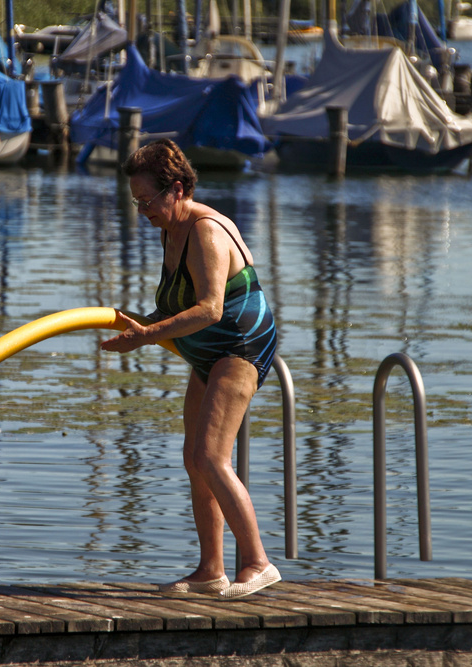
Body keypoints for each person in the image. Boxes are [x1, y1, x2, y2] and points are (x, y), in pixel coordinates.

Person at [100, 139, 280, 599]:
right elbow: (178, 308)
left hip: (238, 346)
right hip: (206, 352)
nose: (143, 210)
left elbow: (210, 309)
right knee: (192, 459)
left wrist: (147, 335)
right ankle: (210, 570)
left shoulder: (205, 231)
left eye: (148, 200)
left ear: (177, 189)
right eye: (136, 201)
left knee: (211, 457)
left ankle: (259, 563)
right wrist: (142, 325)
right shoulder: (169, 229)